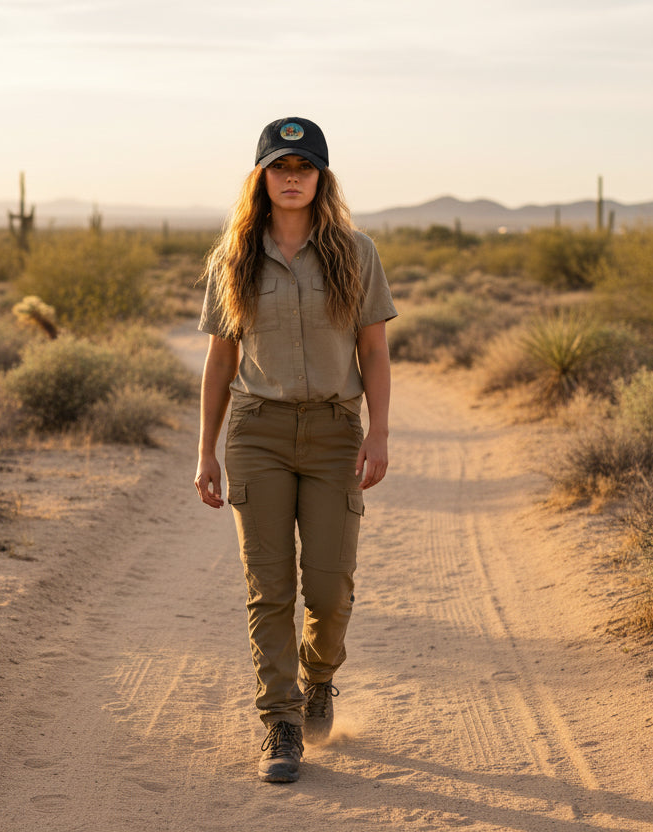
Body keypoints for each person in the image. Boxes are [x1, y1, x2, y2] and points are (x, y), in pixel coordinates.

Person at [194, 116, 396, 784]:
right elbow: (220, 362)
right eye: (279, 168)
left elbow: (373, 350)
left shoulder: (355, 251)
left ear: (321, 177)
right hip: (258, 432)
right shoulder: (235, 258)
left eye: (302, 168)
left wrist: (380, 433)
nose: (291, 179)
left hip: (336, 431)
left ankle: (318, 681)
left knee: (331, 589)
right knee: (269, 587)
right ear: (261, 178)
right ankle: (280, 722)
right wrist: (207, 451)